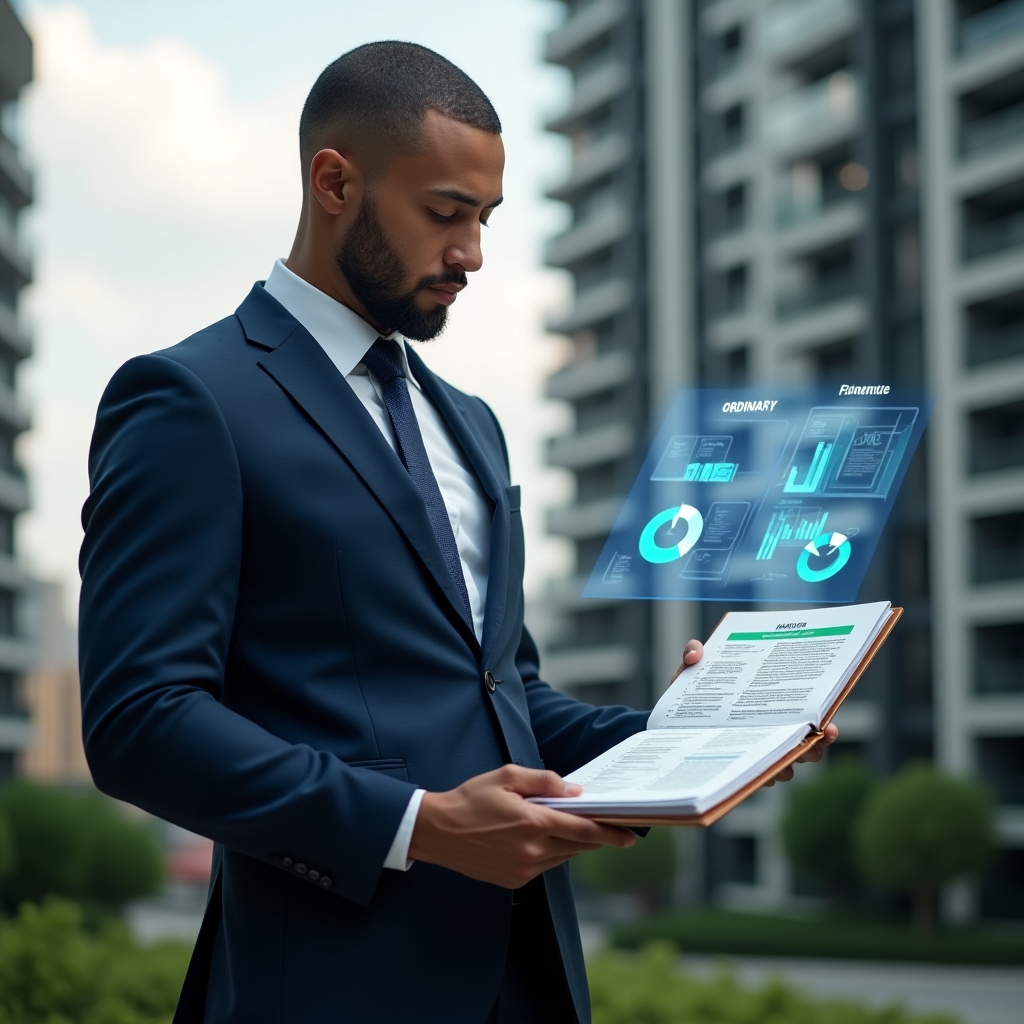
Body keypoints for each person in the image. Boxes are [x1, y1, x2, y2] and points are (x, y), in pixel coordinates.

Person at [78, 42, 835, 1024]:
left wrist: (692, 732)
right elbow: (140, 719)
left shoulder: (469, 422)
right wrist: (418, 826)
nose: (472, 252)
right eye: (444, 213)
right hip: (328, 986)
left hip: (531, 977)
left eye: (484, 218)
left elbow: (502, 694)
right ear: (334, 180)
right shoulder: (191, 400)